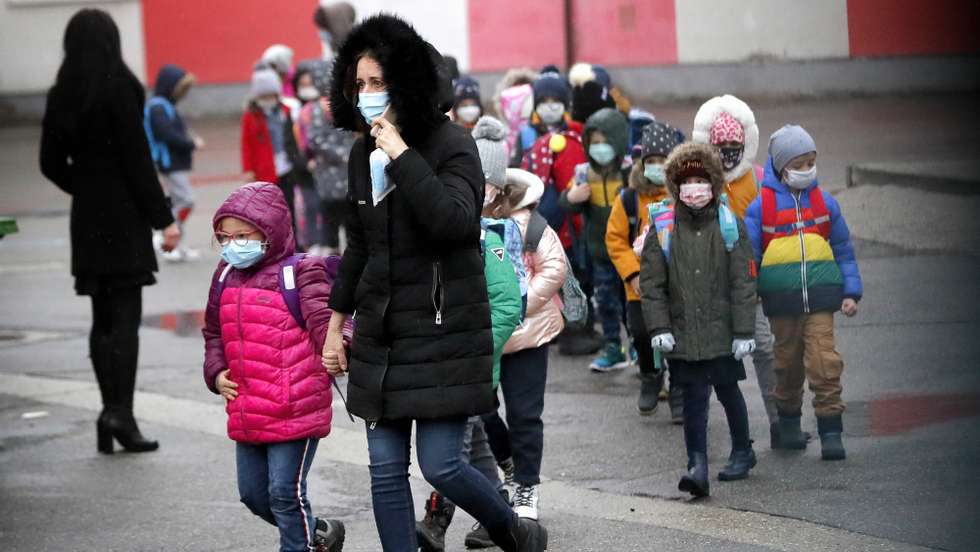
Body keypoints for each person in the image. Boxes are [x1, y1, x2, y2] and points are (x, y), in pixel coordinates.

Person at [319, 15, 548, 551]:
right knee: (384, 471)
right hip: (382, 334)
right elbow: (359, 246)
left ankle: (509, 527)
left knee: (443, 465)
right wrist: (334, 325)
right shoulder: (360, 153)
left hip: (444, 330)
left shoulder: (452, 147)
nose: (368, 94)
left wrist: (401, 154)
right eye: (359, 85)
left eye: (378, 83)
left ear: (405, 82)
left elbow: (454, 223)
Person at [40, 8, 180, 454]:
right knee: (125, 321)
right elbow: (138, 160)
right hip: (123, 220)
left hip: (87, 218)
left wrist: (84, 188)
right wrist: (163, 218)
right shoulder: (121, 86)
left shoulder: (61, 92)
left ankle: (108, 412)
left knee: (101, 319)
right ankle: (121, 412)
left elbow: (48, 162)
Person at [202, 182, 347, 552]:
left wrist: (341, 345)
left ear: (270, 231)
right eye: (225, 236)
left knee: (285, 492)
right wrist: (217, 373)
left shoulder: (301, 273)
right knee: (254, 495)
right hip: (249, 408)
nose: (234, 243)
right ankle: (317, 532)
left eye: (243, 235)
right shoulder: (223, 276)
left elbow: (328, 325)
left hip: (295, 405)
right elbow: (213, 332)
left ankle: (299, 546)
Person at [416, 116, 524, 552]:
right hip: (452, 363)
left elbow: (507, 305)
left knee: (451, 451)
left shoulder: (490, 237)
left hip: (472, 363)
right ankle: (499, 511)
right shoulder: (443, 231)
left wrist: (480, 348)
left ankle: (436, 522)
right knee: (475, 441)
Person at [640, 142, 758, 498]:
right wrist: (659, 327)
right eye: (686, 181)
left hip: (721, 332)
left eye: (701, 180)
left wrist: (743, 331)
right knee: (692, 399)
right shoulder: (662, 225)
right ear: (676, 186)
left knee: (727, 391)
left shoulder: (728, 223)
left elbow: (742, 280)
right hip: (682, 333)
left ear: (713, 184)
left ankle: (742, 449)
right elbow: (652, 282)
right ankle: (698, 464)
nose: (694, 188)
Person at [743, 125, 863, 461]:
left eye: (811, 162)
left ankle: (831, 430)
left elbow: (842, 248)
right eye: (799, 164)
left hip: (822, 300)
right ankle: (790, 424)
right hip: (782, 305)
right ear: (781, 168)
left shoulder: (824, 203)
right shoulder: (761, 208)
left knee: (825, 363)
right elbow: (750, 257)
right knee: (787, 365)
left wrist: (851, 291)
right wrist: (748, 292)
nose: (806, 170)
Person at [692, 94, 792, 447]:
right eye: (722, 145)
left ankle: (781, 424)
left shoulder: (761, 180)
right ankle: (727, 442)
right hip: (712, 288)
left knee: (765, 350)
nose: (729, 151)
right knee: (717, 365)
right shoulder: (699, 184)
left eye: (735, 144)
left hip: (752, 284)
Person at [605, 121, 683, 417]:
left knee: (677, 335)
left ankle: (679, 387)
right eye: (651, 161)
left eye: (663, 161)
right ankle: (651, 377)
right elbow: (615, 238)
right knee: (640, 332)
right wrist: (633, 274)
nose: (657, 167)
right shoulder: (628, 198)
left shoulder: (683, 195)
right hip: (639, 287)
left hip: (676, 284)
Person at [560, 107, 631, 372]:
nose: (600, 148)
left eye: (606, 142)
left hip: (627, 252)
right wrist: (571, 198)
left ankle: (637, 344)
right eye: (595, 143)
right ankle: (614, 347)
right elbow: (566, 203)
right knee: (605, 301)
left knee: (630, 303)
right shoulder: (583, 173)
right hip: (599, 252)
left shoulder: (629, 172)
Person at [144, 63, 203, 263]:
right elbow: (167, 134)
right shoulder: (158, 107)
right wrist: (190, 143)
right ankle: (165, 234)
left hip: (174, 162)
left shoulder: (164, 106)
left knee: (179, 201)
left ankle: (178, 243)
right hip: (169, 162)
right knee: (185, 201)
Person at [295, 60, 354, 256]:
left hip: (348, 180)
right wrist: (342, 154)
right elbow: (315, 139)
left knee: (352, 223)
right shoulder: (318, 110)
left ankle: (352, 257)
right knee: (330, 225)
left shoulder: (346, 105)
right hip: (328, 181)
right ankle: (333, 261)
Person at [240, 68, 302, 250]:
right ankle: (271, 244)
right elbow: (246, 144)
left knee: (290, 208)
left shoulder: (287, 111)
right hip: (264, 170)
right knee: (268, 211)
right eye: (263, 96)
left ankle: (294, 244)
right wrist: (248, 169)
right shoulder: (251, 116)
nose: (267, 100)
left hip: (288, 168)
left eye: (270, 95)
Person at [290, 61, 327, 251]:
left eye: (310, 84)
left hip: (325, 171)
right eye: (302, 85)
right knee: (307, 210)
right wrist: (306, 163)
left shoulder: (325, 109)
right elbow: (291, 145)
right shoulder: (293, 110)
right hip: (304, 172)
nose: (307, 89)